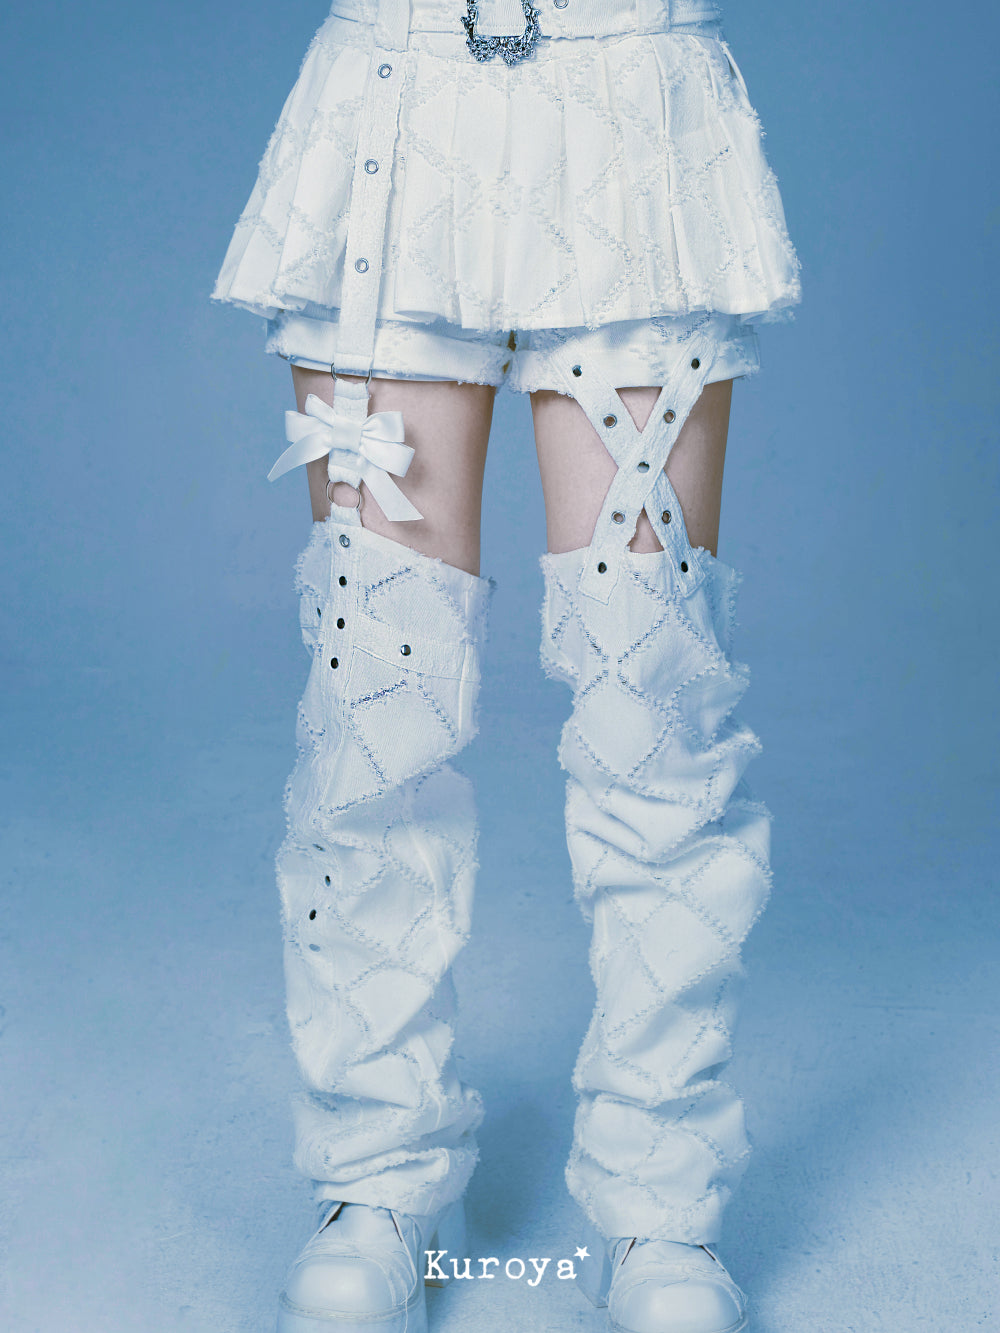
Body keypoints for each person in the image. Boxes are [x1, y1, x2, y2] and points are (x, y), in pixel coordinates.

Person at [212, 0, 800, 1329]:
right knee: (375, 704)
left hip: (633, 99)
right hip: (397, 95)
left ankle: (663, 1198)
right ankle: (378, 1175)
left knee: (654, 698)